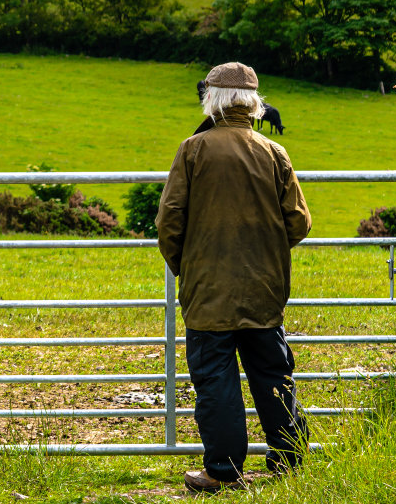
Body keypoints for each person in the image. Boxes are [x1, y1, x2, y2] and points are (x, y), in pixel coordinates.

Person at [157, 62, 312, 493]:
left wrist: (189, 266)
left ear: (212, 100)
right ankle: (290, 461)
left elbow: (169, 222)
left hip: (208, 291)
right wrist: (267, 253)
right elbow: (299, 222)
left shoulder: (193, 150)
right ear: (253, 102)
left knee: (216, 380)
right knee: (273, 374)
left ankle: (223, 472)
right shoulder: (274, 152)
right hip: (264, 288)